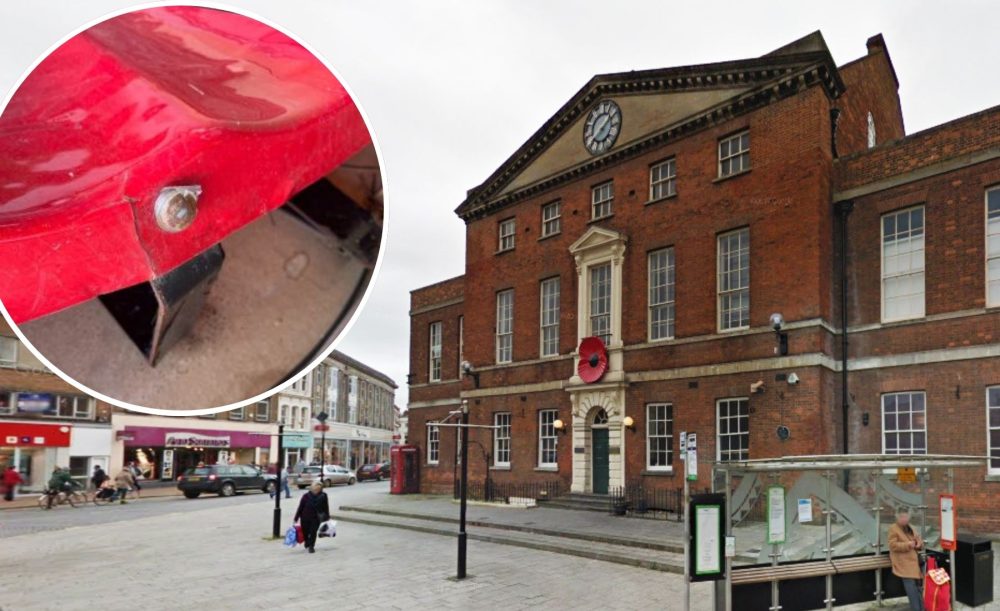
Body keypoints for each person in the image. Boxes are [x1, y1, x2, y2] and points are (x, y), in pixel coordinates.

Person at [888, 508, 924, 611]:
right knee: (911, 587)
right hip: (903, 561)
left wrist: (918, 544)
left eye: (906, 517)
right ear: (897, 517)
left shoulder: (911, 527)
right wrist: (907, 545)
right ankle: (917, 608)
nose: (904, 519)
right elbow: (892, 545)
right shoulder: (893, 528)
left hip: (914, 561)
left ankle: (921, 608)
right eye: (901, 517)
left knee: (918, 587)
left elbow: (919, 542)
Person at [293, 482, 330, 553]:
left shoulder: (323, 495)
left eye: (318, 489)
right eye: (315, 489)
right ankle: (307, 541)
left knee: (313, 532)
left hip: (316, 517)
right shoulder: (305, 496)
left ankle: (311, 546)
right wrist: (296, 518)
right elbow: (300, 507)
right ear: (312, 488)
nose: (316, 491)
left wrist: (327, 516)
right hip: (304, 517)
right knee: (305, 531)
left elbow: (326, 506)